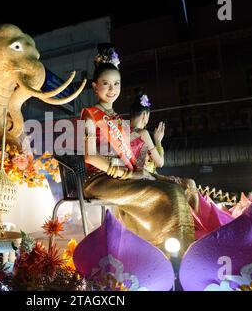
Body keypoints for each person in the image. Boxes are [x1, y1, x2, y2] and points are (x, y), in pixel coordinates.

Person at [81, 44, 194, 250]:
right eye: (105, 83)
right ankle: (160, 251)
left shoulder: (117, 120)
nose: (112, 89)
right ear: (95, 87)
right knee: (167, 194)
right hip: (99, 181)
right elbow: (90, 157)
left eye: (116, 83)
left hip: (120, 177)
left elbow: (137, 158)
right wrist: (126, 175)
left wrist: (152, 173)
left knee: (177, 188)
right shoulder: (90, 114)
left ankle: (176, 250)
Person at [129, 92, 199, 212]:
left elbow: (142, 162)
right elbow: (160, 163)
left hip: (138, 178)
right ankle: (195, 223)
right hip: (147, 179)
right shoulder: (142, 133)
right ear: (145, 115)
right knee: (190, 184)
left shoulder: (125, 133)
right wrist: (158, 140)